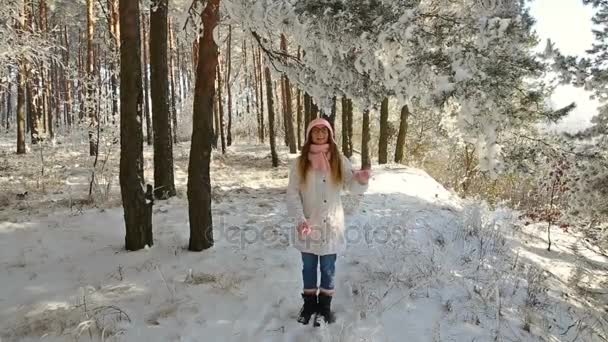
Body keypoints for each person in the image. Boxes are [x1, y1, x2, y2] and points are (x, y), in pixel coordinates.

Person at [286, 118, 370, 326]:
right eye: (316, 131)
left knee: (328, 267)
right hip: (307, 224)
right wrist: (300, 219)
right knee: (308, 266)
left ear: (330, 134)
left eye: (325, 131)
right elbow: (292, 193)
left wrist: (361, 179)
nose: (320, 134)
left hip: (331, 226)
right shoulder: (299, 162)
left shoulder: (338, 159)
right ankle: (308, 306)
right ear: (309, 135)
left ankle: (324, 307)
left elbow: (351, 185)